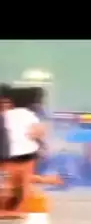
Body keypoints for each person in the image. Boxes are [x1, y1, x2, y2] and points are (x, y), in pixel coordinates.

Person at [0, 86, 47, 216]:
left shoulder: (7, 116)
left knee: (11, 182)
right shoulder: (29, 116)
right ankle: (15, 208)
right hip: (21, 156)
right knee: (19, 183)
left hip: (10, 156)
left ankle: (10, 208)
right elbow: (37, 133)